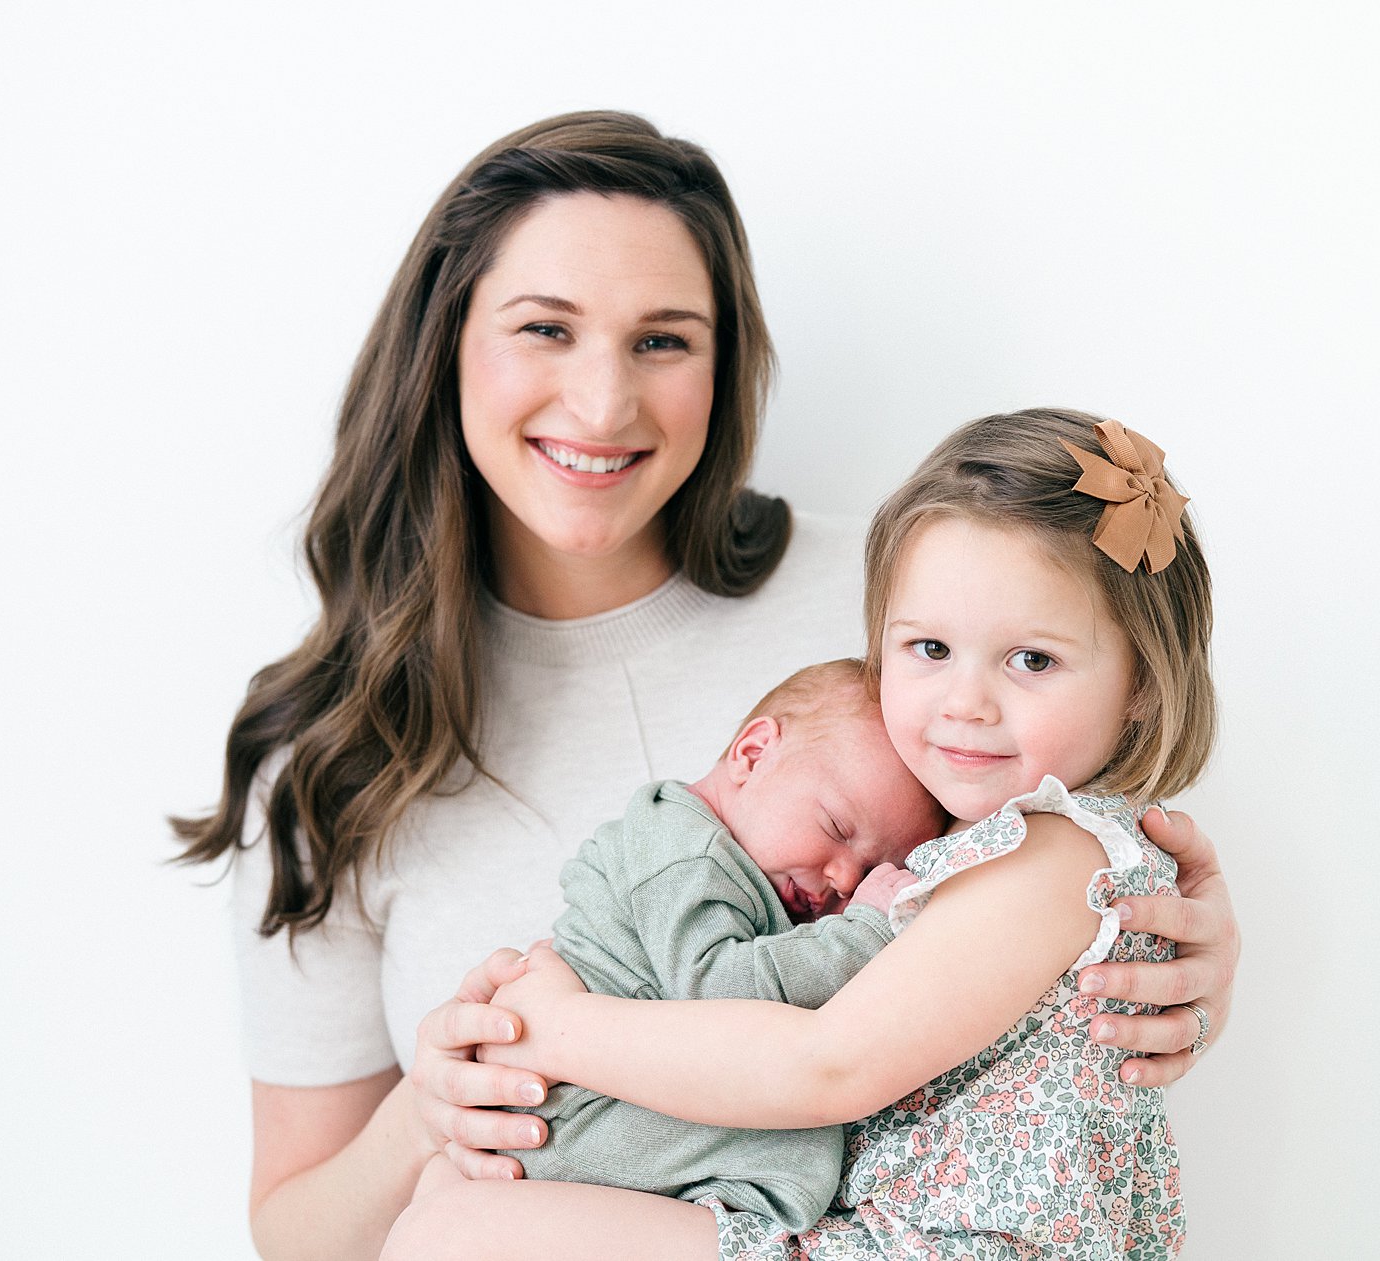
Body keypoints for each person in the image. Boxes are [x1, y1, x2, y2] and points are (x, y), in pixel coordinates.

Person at [171, 112, 1240, 1261]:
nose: (600, 404)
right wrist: (435, 1107)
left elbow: (1020, 891)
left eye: (662, 341)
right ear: (445, 347)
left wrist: (1174, 951)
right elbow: (297, 1237)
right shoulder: (333, 747)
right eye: (544, 328)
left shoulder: (904, 614)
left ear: (725, 367)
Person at [382, 408, 1213, 1259]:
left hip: (941, 1247)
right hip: (867, 1231)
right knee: (451, 1194)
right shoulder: (958, 844)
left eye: (1031, 660)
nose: (965, 701)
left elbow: (828, 1066)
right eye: (929, 647)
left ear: (1144, 681)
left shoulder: (1053, 851)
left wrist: (559, 1029)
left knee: (459, 1229)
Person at [506, 657, 945, 1230]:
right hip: (575, 1120)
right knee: (799, 1145)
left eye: (866, 874)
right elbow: (719, 990)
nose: (843, 881)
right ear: (753, 754)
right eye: (836, 829)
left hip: (588, 1106)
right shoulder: (688, 854)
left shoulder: (730, 859)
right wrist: (861, 930)